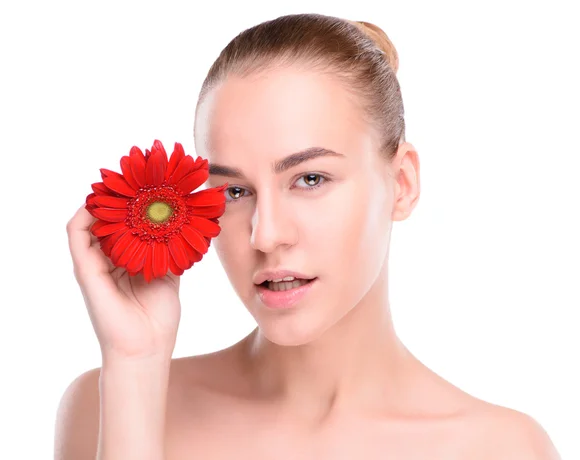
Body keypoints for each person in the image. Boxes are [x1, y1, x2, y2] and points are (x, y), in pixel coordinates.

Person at [56, 12, 560, 460]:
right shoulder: (108, 405)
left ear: (402, 184)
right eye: (234, 191)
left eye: (310, 179)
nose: (266, 234)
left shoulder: (503, 449)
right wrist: (136, 364)